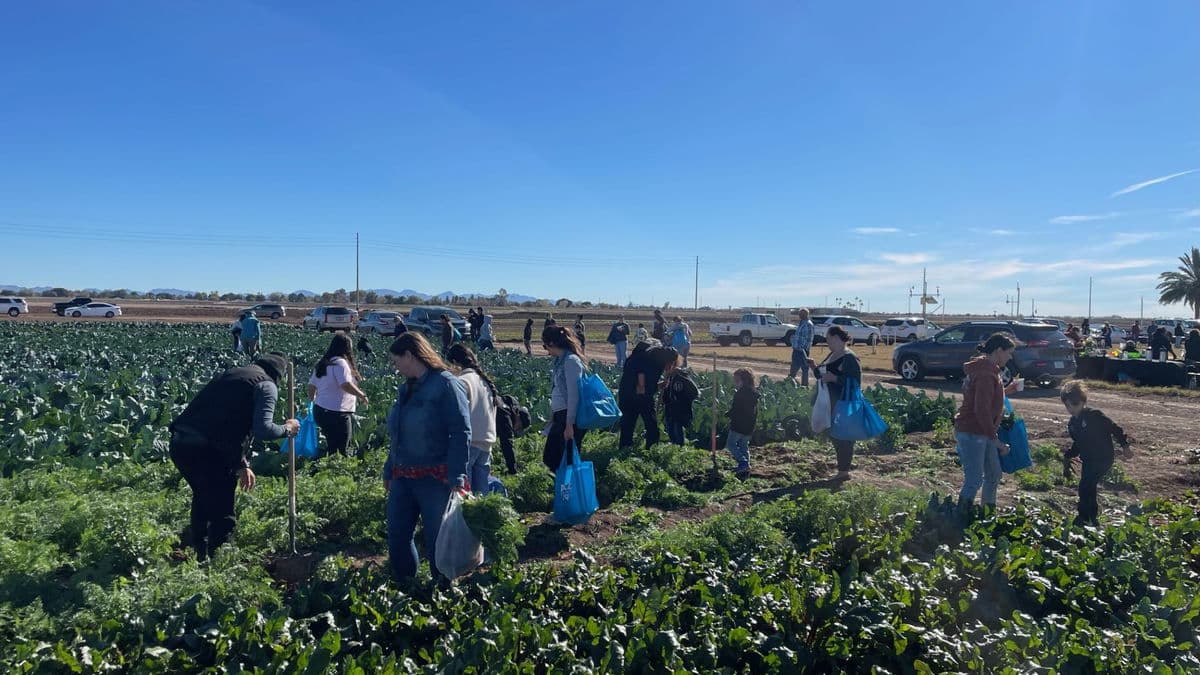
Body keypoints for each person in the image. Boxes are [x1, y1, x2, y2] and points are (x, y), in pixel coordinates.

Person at [169, 354, 300, 560]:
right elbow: (263, 429)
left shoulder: (230, 375)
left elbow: (223, 423)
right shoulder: (267, 385)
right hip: (207, 450)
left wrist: (241, 464)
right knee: (222, 509)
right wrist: (287, 429)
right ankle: (220, 563)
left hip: (180, 444)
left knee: (203, 496)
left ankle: (199, 552)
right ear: (278, 376)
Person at [383, 333, 471, 581]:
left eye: (396, 360)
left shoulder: (445, 384)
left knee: (438, 539)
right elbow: (398, 433)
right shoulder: (407, 388)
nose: (395, 366)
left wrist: (457, 474)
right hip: (403, 475)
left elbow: (460, 431)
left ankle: (441, 593)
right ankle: (406, 586)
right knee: (398, 535)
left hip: (436, 477)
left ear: (410, 355)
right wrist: (389, 469)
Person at [952, 333, 1019, 513]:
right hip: (973, 431)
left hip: (982, 431)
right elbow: (981, 410)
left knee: (994, 474)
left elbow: (986, 398)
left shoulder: (987, 369)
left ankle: (986, 514)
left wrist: (1007, 391)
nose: (1010, 357)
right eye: (1009, 353)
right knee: (974, 479)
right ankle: (960, 518)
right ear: (998, 351)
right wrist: (995, 440)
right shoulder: (984, 373)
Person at [1060, 381, 1132, 526]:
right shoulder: (1073, 424)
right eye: (1067, 405)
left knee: (1087, 485)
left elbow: (1114, 429)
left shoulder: (1095, 416)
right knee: (1086, 486)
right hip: (1088, 460)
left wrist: (1125, 446)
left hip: (1103, 458)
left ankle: (1087, 517)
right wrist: (1068, 455)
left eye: (1074, 404)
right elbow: (1078, 443)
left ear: (1082, 401)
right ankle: (1087, 517)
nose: (1071, 408)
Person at [811, 326, 865, 481]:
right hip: (830, 402)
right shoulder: (833, 354)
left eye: (828, 339)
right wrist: (814, 367)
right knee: (835, 434)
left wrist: (834, 379)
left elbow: (854, 381)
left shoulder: (849, 357)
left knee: (844, 437)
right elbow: (823, 374)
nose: (827, 342)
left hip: (844, 402)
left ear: (835, 337)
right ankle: (842, 468)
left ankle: (843, 472)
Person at [307, 334, 369, 457]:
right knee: (341, 449)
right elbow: (345, 384)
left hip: (320, 411)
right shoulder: (341, 363)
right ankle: (337, 472)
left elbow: (311, 386)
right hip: (337, 413)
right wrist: (362, 395)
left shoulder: (323, 362)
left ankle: (325, 470)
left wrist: (313, 399)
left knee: (331, 446)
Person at [446, 344, 497, 495]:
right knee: (482, 492)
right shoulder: (483, 380)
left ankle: (466, 518)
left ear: (455, 362)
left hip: (469, 441)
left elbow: (457, 413)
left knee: (463, 493)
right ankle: (484, 517)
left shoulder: (462, 381)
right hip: (486, 441)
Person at [541, 326, 588, 471]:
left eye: (545, 346)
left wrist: (569, 425)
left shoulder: (571, 361)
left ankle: (568, 490)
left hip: (568, 417)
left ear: (552, 343)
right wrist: (552, 417)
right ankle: (561, 489)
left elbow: (574, 395)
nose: (546, 350)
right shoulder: (560, 361)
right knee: (553, 458)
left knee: (562, 459)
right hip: (561, 416)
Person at [617, 342, 678, 448]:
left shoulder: (641, 356)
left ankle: (624, 449)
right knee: (651, 425)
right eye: (672, 363)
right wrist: (644, 397)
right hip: (639, 396)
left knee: (627, 424)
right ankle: (652, 449)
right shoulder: (652, 362)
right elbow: (641, 378)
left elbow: (641, 379)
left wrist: (658, 386)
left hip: (626, 394)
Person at [725, 368, 758, 480]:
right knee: (744, 445)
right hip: (749, 426)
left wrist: (728, 414)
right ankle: (746, 467)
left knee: (730, 444)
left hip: (739, 425)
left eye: (736, 380)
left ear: (743, 380)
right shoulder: (753, 392)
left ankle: (743, 462)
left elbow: (737, 409)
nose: (735, 383)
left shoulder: (741, 393)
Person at [661, 355, 699, 446]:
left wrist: (682, 401)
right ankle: (674, 446)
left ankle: (680, 448)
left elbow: (694, 392)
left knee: (677, 429)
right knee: (670, 429)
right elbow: (667, 392)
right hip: (670, 408)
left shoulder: (682, 377)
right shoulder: (669, 377)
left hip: (679, 410)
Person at [789, 308, 815, 386]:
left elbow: (807, 338)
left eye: (801, 314)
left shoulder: (808, 324)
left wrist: (801, 348)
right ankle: (790, 383)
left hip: (802, 350)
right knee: (794, 368)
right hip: (797, 349)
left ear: (806, 314)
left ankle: (804, 385)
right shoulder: (802, 323)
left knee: (804, 368)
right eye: (799, 313)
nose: (799, 315)